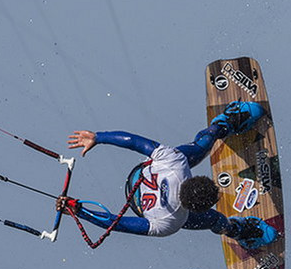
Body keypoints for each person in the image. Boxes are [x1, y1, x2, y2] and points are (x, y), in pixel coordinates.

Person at [56, 101, 278, 249]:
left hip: (143, 175)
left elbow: (134, 143)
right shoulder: (169, 221)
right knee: (216, 219)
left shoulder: (175, 165)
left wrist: (97, 137)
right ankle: (238, 230)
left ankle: (225, 123)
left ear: (190, 178)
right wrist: (79, 210)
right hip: (139, 201)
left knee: (202, 146)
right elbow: (117, 223)